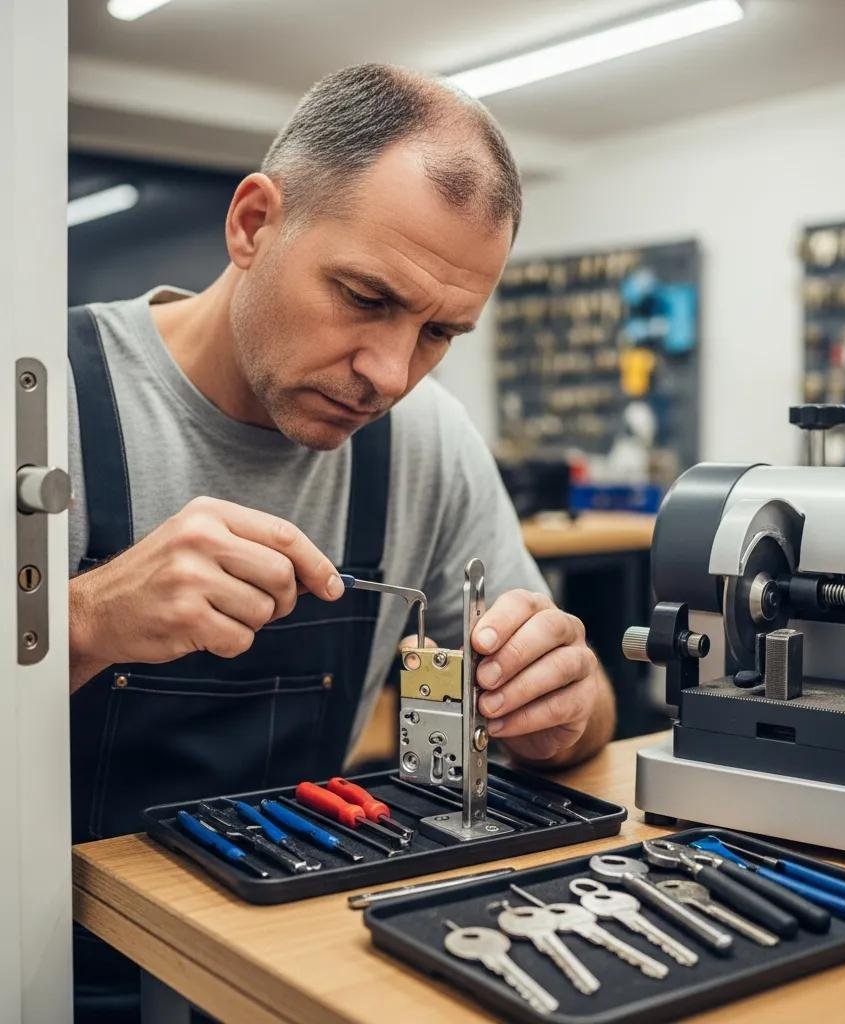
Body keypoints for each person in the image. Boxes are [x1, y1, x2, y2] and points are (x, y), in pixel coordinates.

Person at [69, 63, 615, 1021]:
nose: (390, 372)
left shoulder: (425, 441)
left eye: (440, 331)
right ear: (252, 225)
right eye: (365, 296)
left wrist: (562, 706)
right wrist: (84, 620)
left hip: (300, 958)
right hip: (56, 963)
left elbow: (587, 715)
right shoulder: (41, 401)